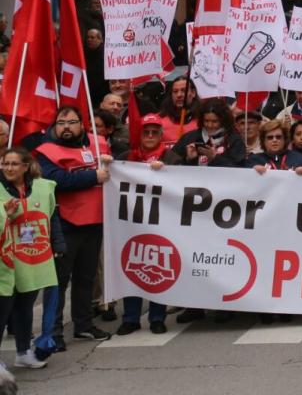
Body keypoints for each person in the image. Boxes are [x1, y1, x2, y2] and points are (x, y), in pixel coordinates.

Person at [35, 105, 111, 348]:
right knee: (58, 282)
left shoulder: (99, 144)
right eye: (61, 123)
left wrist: (111, 163)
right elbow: (55, 180)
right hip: (65, 225)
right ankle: (53, 332)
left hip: (94, 222)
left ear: (82, 124)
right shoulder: (45, 152)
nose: (66, 127)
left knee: (85, 279)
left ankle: (83, 325)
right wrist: (92, 177)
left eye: (71, 122)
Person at [0, 147, 59, 369]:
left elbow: (52, 217)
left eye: (14, 164)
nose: (9, 168)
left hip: (33, 259)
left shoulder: (43, 188)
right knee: (2, 309)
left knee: (25, 307)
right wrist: (3, 210)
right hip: (4, 262)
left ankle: (23, 352)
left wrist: (58, 244)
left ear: (26, 167)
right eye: (5, 163)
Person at [114, 115, 169, 336]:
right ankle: (131, 318)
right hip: (132, 223)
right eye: (145, 132)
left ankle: (157, 317)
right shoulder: (127, 158)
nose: (149, 136)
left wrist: (166, 171)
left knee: (160, 269)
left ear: (161, 135)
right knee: (133, 267)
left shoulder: (172, 158)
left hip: (163, 223)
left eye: (154, 132)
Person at [163, 99, 246, 168]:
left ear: (223, 120)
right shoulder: (189, 138)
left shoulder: (234, 140)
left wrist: (215, 158)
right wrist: (188, 159)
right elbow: (169, 164)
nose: (209, 125)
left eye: (214, 121)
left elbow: (240, 170)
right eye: (206, 121)